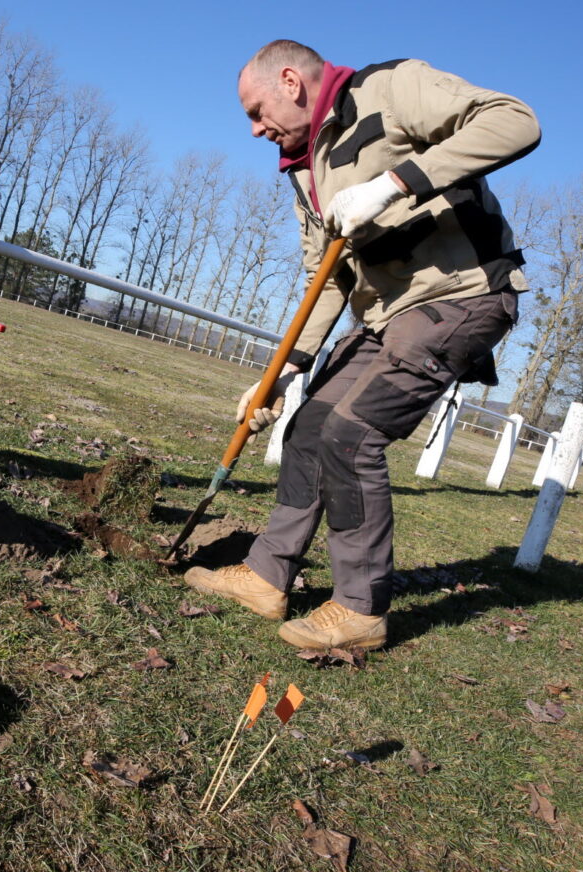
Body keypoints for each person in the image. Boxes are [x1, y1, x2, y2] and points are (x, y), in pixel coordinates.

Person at [185, 40, 540, 650]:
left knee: (352, 435)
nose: (255, 130)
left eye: (256, 112)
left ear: (290, 81)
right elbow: (326, 277)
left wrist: (392, 184)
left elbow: (516, 121)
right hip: (385, 316)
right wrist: (284, 371)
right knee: (308, 428)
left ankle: (360, 609)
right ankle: (267, 575)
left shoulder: (389, 89)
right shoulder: (304, 171)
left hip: (462, 295)